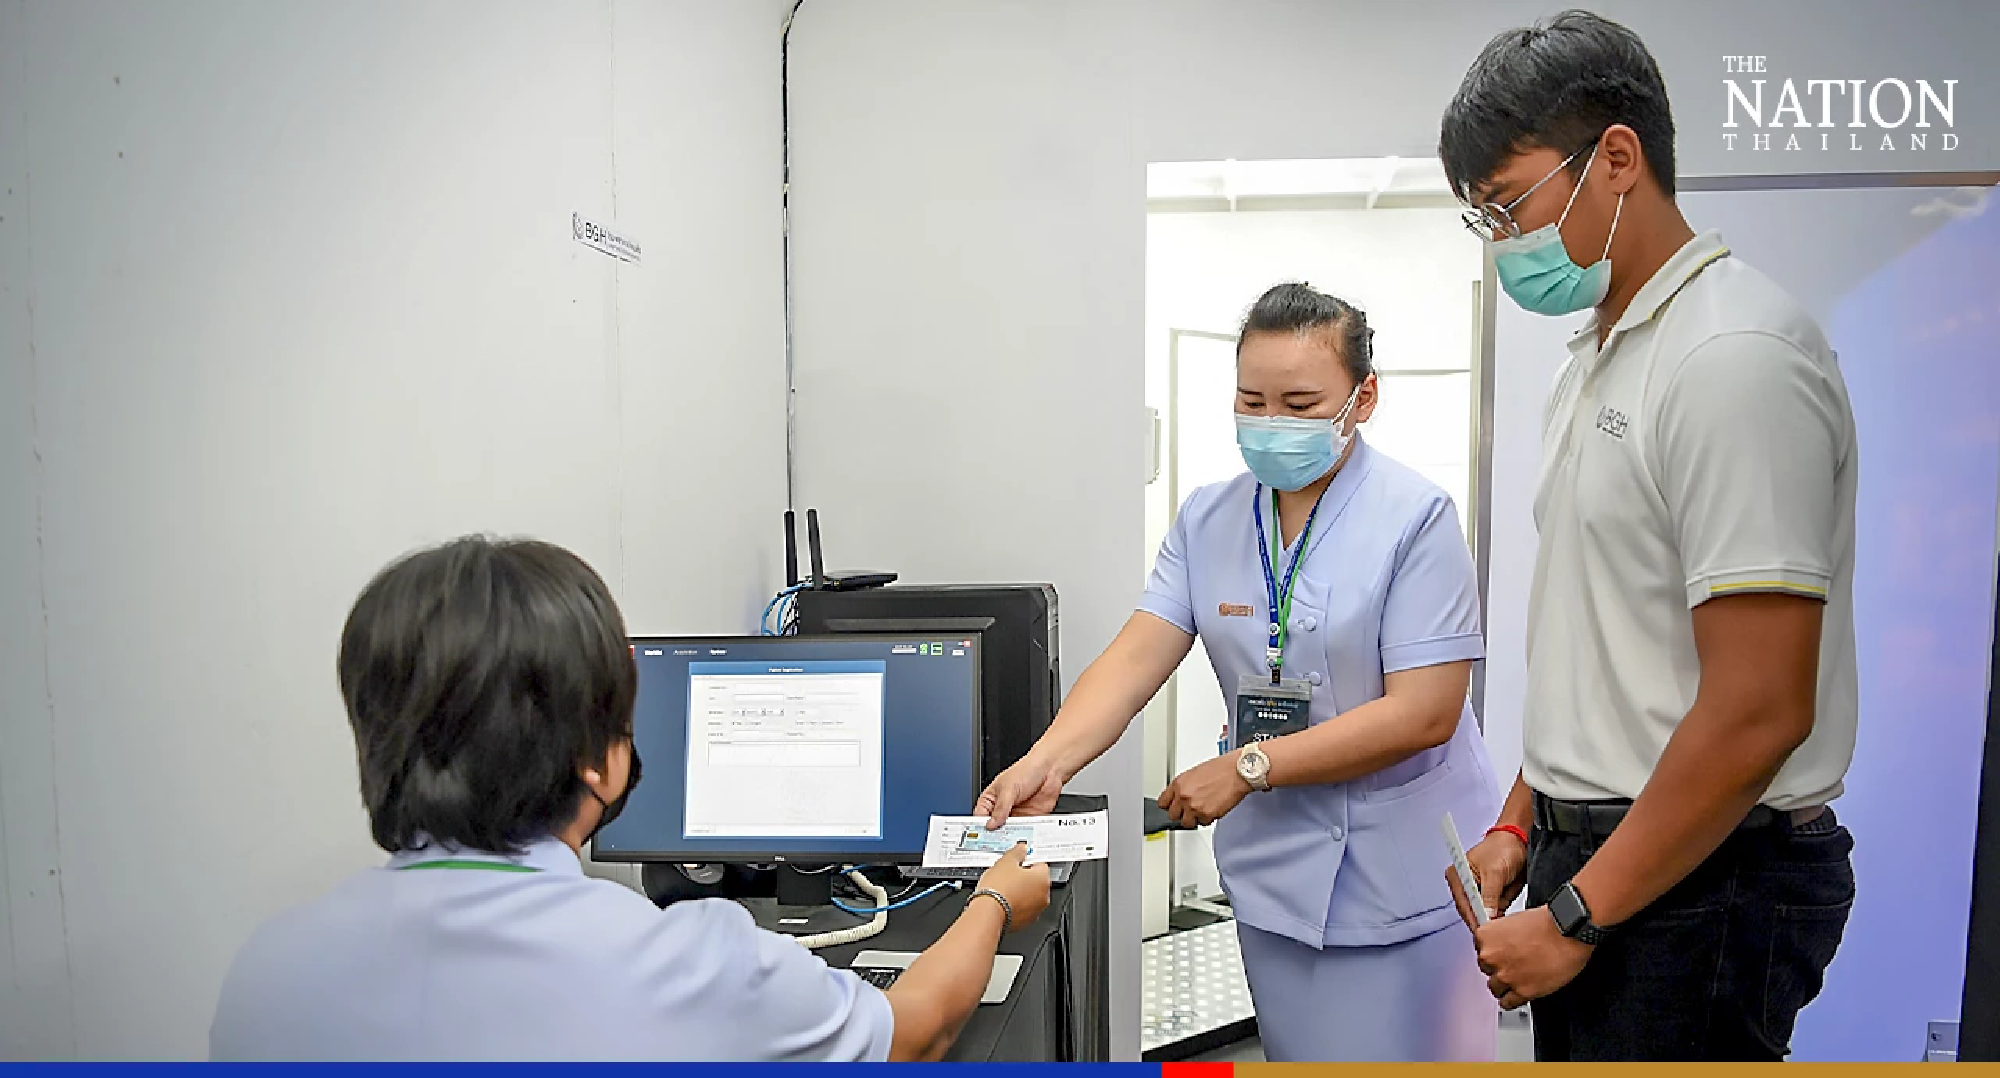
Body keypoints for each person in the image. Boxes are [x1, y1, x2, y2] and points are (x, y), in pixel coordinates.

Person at [1437, 11, 1859, 1062]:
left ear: (1615, 159)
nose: (1504, 243)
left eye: (1508, 204)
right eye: (1482, 219)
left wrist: (1581, 911)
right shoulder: (1598, 358)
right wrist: (1516, 825)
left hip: (1700, 880)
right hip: (1606, 854)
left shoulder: (1731, 356)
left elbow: (1757, 706)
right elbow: (1603, 650)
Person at [210, 536, 1049, 1062]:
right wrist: (992, 899)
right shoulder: (686, 965)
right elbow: (920, 1029)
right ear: (598, 765)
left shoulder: (267, 972)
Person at [980, 283, 1502, 1062]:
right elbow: (1136, 654)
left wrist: (1248, 765)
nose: (1271, 424)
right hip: (1278, 873)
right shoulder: (1210, 517)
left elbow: (1425, 712)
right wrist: (1043, 762)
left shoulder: (1416, 517)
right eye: (1251, 401)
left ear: (1363, 399)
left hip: (1410, 875)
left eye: (1299, 402)